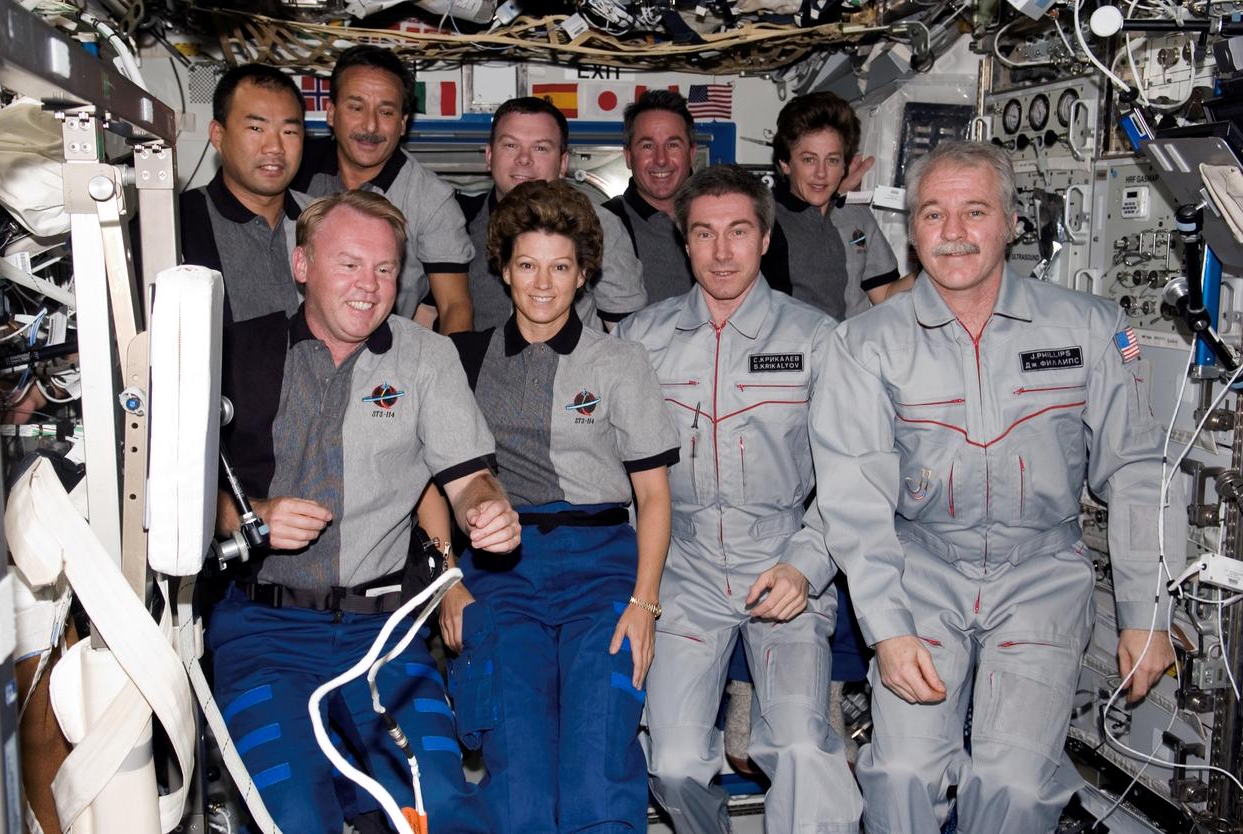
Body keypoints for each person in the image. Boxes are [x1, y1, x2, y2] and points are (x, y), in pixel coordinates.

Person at [810, 140, 1187, 834]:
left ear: (1011, 222)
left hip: (1040, 574)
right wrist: (888, 630)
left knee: (1012, 784)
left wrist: (1147, 612)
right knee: (900, 778)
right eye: (933, 214)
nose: (953, 233)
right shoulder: (865, 345)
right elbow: (853, 498)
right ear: (911, 231)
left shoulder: (1089, 329)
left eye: (974, 211)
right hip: (921, 568)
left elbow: (1137, 470)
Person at [210, 189, 520, 833]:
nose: (369, 285)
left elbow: (469, 479)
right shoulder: (238, 353)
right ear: (302, 267)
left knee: (439, 805)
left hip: (384, 636)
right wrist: (250, 515)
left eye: (384, 268)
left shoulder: (426, 358)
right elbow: (182, 484)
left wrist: (488, 510)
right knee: (292, 817)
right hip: (265, 633)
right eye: (349, 264)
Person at [616, 165, 862, 834]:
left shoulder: (816, 340)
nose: (721, 252)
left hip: (780, 561)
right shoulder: (640, 341)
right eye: (704, 234)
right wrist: (639, 586)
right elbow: (623, 479)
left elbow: (852, 478)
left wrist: (806, 566)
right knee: (669, 763)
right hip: (685, 569)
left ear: (763, 238)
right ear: (683, 241)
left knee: (803, 748)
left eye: (738, 232)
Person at [438, 178, 678, 832]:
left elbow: (654, 495)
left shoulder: (620, 363)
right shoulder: (461, 360)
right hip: (502, 574)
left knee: (598, 772)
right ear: (504, 270)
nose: (543, 284)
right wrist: (448, 584)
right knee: (519, 778)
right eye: (527, 266)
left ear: (583, 274)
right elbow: (430, 484)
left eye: (560, 267)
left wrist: (645, 602)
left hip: (602, 569)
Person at [292, 45, 474, 333]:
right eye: (356, 107)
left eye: (386, 112)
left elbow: (455, 306)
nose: (370, 125)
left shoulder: (430, 199)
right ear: (331, 112)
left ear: (403, 123)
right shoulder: (293, 171)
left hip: (385, 359)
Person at [458, 96, 646, 332]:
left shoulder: (600, 225)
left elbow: (627, 331)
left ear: (563, 162)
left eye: (540, 148)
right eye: (511, 145)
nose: (524, 159)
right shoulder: (458, 223)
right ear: (489, 156)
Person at [180, 63, 311, 322]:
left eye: (289, 131)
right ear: (218, 136)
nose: (275, 147)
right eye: (256, 129)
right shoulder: (179, 224)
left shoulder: (324, 221)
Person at [763, 91, 905, 319]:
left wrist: (930, 267)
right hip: (791, 350)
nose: (821, 173)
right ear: (786, 163)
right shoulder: (763, 219)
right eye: (809, 159)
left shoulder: (856, 216)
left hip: (852, 349)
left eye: (832, 160)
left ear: (844, 167)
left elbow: (886, 295)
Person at [602, 89, 697, 304]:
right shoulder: (600, 225)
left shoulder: (722, 219)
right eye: (647, 146)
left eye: (673, 145)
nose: (661, 159)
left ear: (691, 153)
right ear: (628, 156)